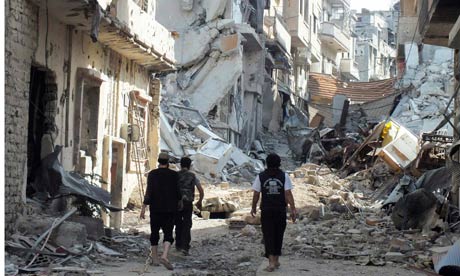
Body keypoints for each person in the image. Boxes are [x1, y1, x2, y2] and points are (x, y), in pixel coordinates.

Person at [251, 153, 296, 272]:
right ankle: (275, 260)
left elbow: (256, 194)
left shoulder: (260, 176)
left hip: (266, 210)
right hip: (280, 210)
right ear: (279, 163)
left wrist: (253, 207)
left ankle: (271, 262)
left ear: (266, 163)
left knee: (268, 234)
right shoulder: (284, 176)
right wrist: (293, 209)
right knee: (278, 234)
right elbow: (288, 194)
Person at [140, 152, 180, 270]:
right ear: (168, 163)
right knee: (168, 233)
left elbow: (149, 192)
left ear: (158, 161)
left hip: (156, 208)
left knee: (154, 232)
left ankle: (155, 258)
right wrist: (179, 204)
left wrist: (143, 208)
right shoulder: (174, 175)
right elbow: (178, 193)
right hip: (169, 209)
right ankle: (165, 255)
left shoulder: (152, 174)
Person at [174, 157, 204, 255]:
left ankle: (178, 244)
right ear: (190, 166)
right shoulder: (192, 176)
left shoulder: (175, 175)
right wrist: (200, 201)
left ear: (180, 165)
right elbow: (200, 190)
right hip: (187, 203)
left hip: (177, 203)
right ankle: (185, 247)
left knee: (178, 223)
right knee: (187, 224)